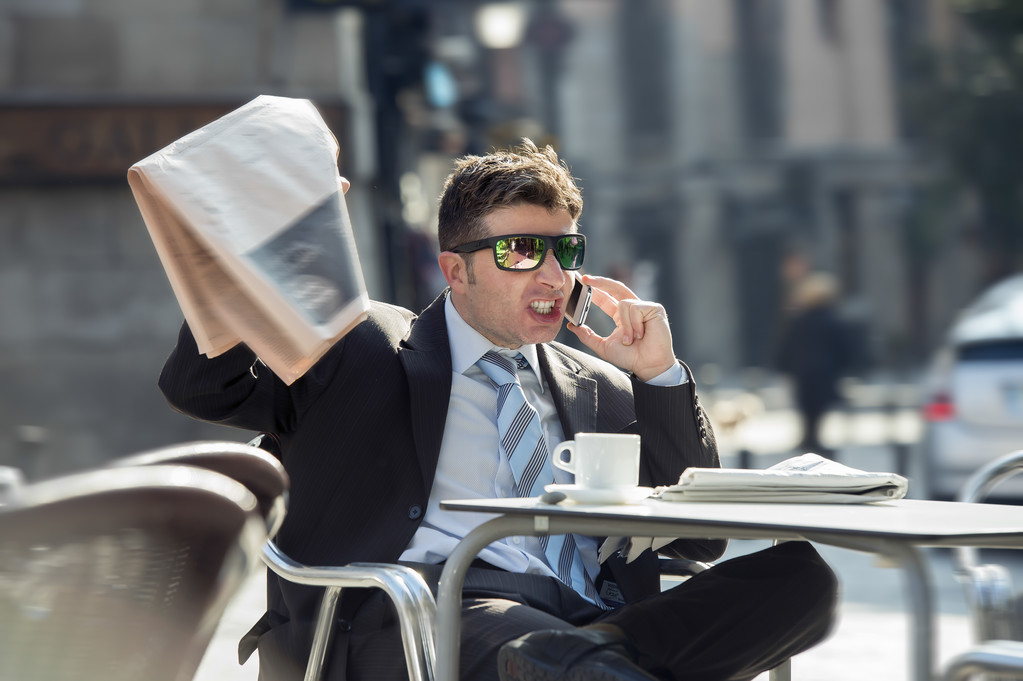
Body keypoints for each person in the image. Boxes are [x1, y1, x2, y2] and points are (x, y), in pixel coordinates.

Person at [159, 140, 837, 681]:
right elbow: (202, 385)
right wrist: (253, 252)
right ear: (456, 272)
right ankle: (582, 662)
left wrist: (657, 373)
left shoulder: (597, 382)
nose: (552, 275)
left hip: (591, 612)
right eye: (520, 251)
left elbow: (694, 543)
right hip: (425, 608)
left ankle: (592, 656)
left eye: (564, 250)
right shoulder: (365, 344)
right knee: (535, 645)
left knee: (800, 579)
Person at [775, 271, 855, 455]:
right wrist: (842, 366)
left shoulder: (799, 321)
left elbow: (787, 346)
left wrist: (785, 366)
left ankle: (809, 440)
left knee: (807, 409)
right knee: (818, 410)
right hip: (824, 373)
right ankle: (812, 440)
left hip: (803, 374)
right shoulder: (832, 321)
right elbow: (843, 348)